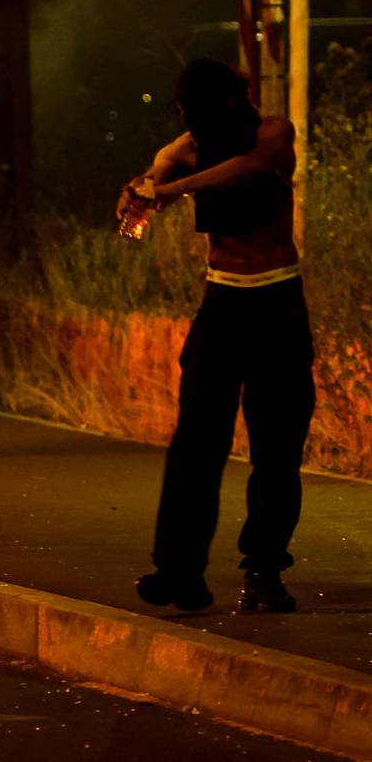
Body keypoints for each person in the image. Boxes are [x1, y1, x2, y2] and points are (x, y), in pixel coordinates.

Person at [117, 58, 312, 614]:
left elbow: (250, 168)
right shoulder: (185, 148)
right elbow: (151, 179)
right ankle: (179, 572)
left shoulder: (272, 132)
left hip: (276, 300)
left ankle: (265, 570)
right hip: (222, 301)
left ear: (233, 102)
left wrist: (173, 188)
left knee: (277, 446)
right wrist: (137, 193)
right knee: (196, 443)